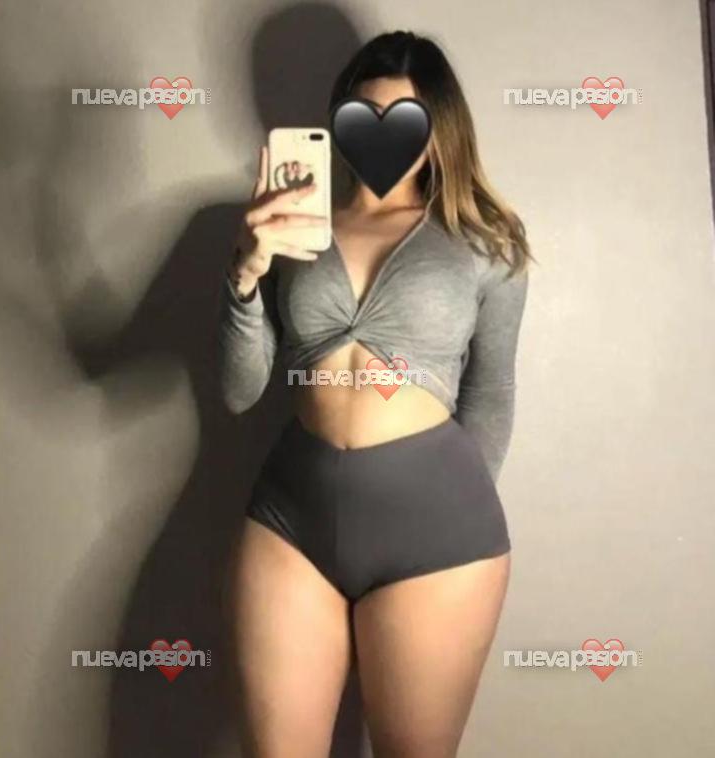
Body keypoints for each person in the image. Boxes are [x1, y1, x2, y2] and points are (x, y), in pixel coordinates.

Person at [217, 30, 533, 758]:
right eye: (361, 116)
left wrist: (437, 507)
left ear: (439, 129)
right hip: (290, 521)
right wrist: (244, 274)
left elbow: (492, 391)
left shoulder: (485, 242)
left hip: (436, 535)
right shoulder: (291, 231)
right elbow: (239, 393)